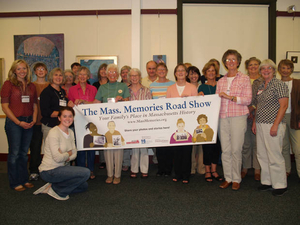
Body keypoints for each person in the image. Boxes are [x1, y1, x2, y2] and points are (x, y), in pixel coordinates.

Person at [34, 107, 90, 200]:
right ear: (59, 118)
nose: (68, 119)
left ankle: (53, 186)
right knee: (86, 173)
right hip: (49, 170)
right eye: (65, 116)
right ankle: (57, 190)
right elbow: (57, 158)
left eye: (70, 116)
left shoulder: (71, 132)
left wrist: (65, 155)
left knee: (84, 186)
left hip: (62, 168)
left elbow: (74, 154)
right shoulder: (54, 133)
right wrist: (68, 154)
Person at [216, 49, 252, 191]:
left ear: (238, 62)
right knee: (225, 150)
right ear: (224, 63)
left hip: (238, 116)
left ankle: (236, 179)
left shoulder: (244, 78)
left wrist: (231, 97)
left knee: (236, 149)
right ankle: (228, 178)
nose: (230, 62)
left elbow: (248, 100)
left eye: (233, 59)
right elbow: (216, 100)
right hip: (222, 118)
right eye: (228, 60)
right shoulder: (221, 81)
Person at [252, 59, 289, 196]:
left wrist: (275, 125)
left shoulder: (279, 84)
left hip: (273, 124)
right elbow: (258, 106)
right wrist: (255, 122)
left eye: (269, 68)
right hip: (261, 124)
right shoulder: (261, 86)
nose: (266, 71)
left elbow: (283, 106)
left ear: (274, 70)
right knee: (262, 154)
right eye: (263, 69)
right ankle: (267, 181)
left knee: (274, 154)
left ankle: (280, 184)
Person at [1, 59, 37, 191]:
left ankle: (23, 179)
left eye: (24, 68)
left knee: (23, 153)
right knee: (14, 153)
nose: (22, 71)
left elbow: (34, 104)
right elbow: (5, 107)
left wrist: (33, 119)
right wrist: (18, 122)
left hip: (28, 121)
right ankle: (15, 182)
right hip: (14, 123)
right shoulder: (8, 84)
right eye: (19, 69)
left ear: (27, 70)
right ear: (14, 71)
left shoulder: (31, 85)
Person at [94, 64, 130, 184]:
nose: (113, 74)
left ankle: (118, 175)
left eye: (115, 72)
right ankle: (109, 174)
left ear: (118, 75)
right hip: (105, 123)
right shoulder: (102, 88)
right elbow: (95, 104)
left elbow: (128, 102)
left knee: (118, 147)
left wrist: (123, 99)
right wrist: (82, 105)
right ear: (107, 74)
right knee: (108, 147)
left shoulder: (123, 86)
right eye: (110, 72)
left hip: (119, 122)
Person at [166, 63, 198, 184]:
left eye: (183, 71)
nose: (180, 73)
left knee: (187, 150)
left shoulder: (192, 88)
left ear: (186, 73)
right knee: (177, 149)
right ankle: (177, 173)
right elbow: (167, 107)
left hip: (188, 123)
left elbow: (196, 106)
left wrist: (189, 100)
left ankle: (186, 174)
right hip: (175, 123)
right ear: (175, 73)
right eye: (178, 71)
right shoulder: (170, 89)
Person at [68, 66, 98, 179]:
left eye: (84, 74)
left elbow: (96, 103)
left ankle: (90, 169)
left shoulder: (93, 89)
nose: (82, 76)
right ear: (77, 76)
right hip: (77, 121)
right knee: (80, 146)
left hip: (91, 121)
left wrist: (84, 102)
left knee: (91, 145)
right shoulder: (72, 89)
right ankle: (80, 170)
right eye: (80, 74)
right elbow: (70, 105)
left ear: (88, 76)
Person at [198, 62, 223, 182]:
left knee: (217, 146)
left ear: (216, 72)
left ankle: (214, 170)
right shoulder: (202, 87)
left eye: (213, 70)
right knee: (207, 145)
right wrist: (199, 97)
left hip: (220, 119)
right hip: (206, 121)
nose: (211, 73)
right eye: (208, 71)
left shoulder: (221, 85)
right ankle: (207, 171)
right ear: (205, 73)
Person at [149, 63, 175, 177]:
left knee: (169, 144)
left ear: (167, 70)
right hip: (157, 119)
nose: (161, 71)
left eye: (163, 69)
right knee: (159, 144)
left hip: (170, 118)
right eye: (159, 69)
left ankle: (168, 169)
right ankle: (161, 168)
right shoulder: (152, 86)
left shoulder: (172, 84)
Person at [128, 68, 152, 178]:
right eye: (132, 76)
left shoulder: (146, 90)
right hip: (131, 121)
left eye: (136, 75)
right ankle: (134, 168)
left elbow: (150, 106)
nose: (134, 77)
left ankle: (144, 169)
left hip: (144, 121)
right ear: (129, 77)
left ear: (140, 77)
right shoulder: (126, 90)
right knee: (134, 145)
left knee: (144, 145)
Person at [278, 59, 300, 179]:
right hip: (280, 117)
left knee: (298, 148)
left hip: (294, 118)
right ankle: (286, 170)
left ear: (291, 70)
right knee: (284, 146)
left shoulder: (297, 83)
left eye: (288, 68)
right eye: (283, 68)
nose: (285, 70)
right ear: (279, 70)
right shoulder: (276, 83)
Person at [241, 57, 262, 181]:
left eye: (255, 64)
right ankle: (245, 168)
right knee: (246, 143)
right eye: (250, 65)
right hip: (244, 114)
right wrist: (246, 110)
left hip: (259, 115)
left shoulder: (263, 80)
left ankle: (257, 169)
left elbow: (262, 98)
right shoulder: (243, 80)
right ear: (247, 67)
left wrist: (253, 109)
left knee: (257, 143)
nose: (253, 67)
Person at [29, 62, 49, 181]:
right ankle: (33, 171)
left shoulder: (50, 85)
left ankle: (47, 170)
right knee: (35, 147)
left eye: (43, 69)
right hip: (35, 121)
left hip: (47, 122)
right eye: (38, 69)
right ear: (35, 72)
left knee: (49, 147)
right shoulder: (31, 85)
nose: (41, 71)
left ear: (46, 71)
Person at [40, 68, 68, 141]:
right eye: (56, 75)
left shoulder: (62, 92)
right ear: (51, 77)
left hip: (61, 126)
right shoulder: (46, 92)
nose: (58, 77)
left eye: (60, 75)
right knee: (52, 150)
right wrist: (64, 114)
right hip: (50, 126)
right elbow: (46, 112)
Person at [187, 66, 205, 175]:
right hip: (190, 119)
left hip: (202, 120)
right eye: (191, 74)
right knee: (191, 144)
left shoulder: (203, 87)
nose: (194, 76)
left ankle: (201, 168)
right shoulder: (186, 88)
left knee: (202, 143)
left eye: (195, 73)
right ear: (187, 76)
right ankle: (192, 168)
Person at [92, 63, 108, 169]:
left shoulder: (113, 84)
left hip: (110, 113)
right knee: (101, 136)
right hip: (99, 114)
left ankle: (110, 159)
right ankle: (103, 160)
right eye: (101, 69)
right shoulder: (95, 85)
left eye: (105, 69)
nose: (103, 71)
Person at [120, 65, 132, 172]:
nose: (125, 74)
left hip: (133, 117)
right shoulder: (118, 86)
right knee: (124, 139)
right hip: (121, 117)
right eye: (123, 72)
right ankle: (126, 162)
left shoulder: (135, 85)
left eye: (127, 72)